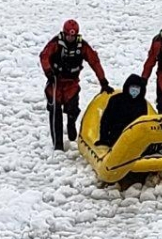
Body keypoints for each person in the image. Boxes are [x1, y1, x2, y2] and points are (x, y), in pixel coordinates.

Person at [40, 19, 114, 151]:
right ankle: (58, 145)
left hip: (72, 83)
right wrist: (48, 72)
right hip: (56, 82)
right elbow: (44, 56)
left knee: (73, 108)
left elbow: (94, 62)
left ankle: (71, 123)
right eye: (68, 35)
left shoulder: (82, 46)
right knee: (55, 112)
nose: (70, 38)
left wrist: (103, 81)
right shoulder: (55, 43)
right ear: (64, 33)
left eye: (73, 36)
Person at [97, 74, 149, 147]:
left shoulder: (142, 103)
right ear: (128, 87)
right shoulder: (116, 100)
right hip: (117, 135)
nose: (135, 90)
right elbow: (106, 120)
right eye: (133, 87)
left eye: (137, 87)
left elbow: (143, 123)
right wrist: (104, 139)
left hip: (135, 136)